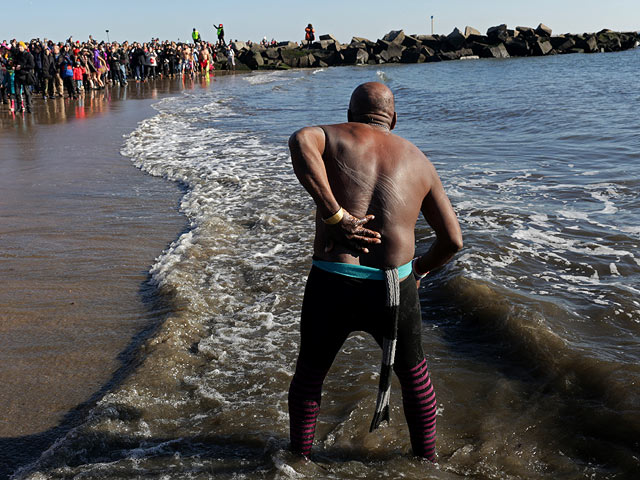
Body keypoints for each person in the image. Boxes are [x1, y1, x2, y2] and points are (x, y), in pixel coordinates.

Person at [287, 82, 462, 461]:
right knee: (415, 381)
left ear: (350, 114)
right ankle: (425, 462)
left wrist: (334, 215)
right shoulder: (420, 162)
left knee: (310, 377)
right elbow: (452, 241)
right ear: (394, 119)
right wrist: (418, 270)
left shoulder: (332, 137)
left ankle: (297, 461)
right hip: (393, 287)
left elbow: (301, 140)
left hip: (332, 280)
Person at [13, 41, 35, 112]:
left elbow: (32, 65)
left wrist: (22, 66)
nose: (19, 47)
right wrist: (13, 66)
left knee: (27, 92)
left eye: (21, 46)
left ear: (24, 47)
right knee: (17, 92)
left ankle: (29, 107)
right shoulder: (17, 54)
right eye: (19, 46)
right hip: (17, 75)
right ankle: (19, 107)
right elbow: (14, 62)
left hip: (25, 75)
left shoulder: (28, 55)